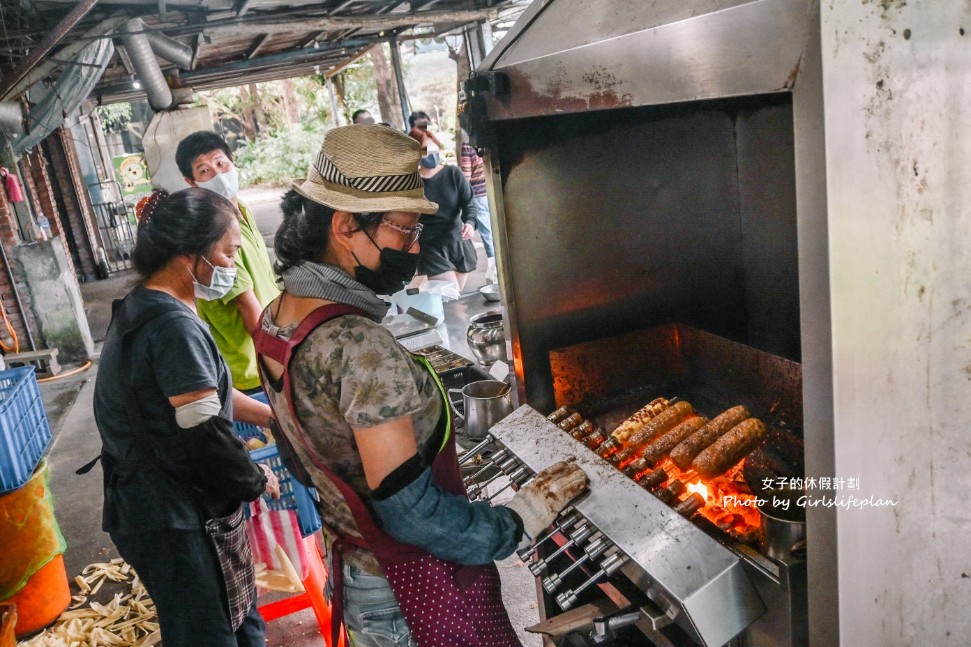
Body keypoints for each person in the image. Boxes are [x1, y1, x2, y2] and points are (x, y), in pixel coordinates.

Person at [254, 124, 588, 647]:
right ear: (345, 226)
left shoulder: (279, 318)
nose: (414, 247)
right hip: (407, 589)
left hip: (359, 570)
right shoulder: (358, 346)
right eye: (403, 231)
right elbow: (411, 514)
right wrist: (516, 521)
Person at [92, 188, 281, 647]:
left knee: (241, 624)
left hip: (155, 504)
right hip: (169, 516)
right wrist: (253, 477)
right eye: (228, 252)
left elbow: (206, 393)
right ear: (188, 255)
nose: (233, 264)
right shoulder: (172, 326)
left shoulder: (148, 303)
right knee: (209, 635)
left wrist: (274, 417)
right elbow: (203, 431)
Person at [176, 131, 280, 394]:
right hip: (251, 367)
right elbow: (249, 309)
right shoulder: (215, 232)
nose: (218, 175)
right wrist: (281, 359)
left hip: (269, 348)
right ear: (191, 182)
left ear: (233, 162)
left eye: (221, 163)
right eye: (204, 171)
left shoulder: (241, 209)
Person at [416, 137, 479, 290]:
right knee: (450, 294)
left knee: (455, 298)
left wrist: (470, 223)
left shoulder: (453, 173)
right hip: (430, 247)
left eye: (433, 151)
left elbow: (469, 204)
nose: (430, 155)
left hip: (458, 242)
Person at [458, 130, 496, 283]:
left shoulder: (468, 146)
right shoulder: (490, 139)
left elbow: (466, 175)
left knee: (488, 236)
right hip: (493, 192)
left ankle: (495, 273)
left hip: (479, 195)